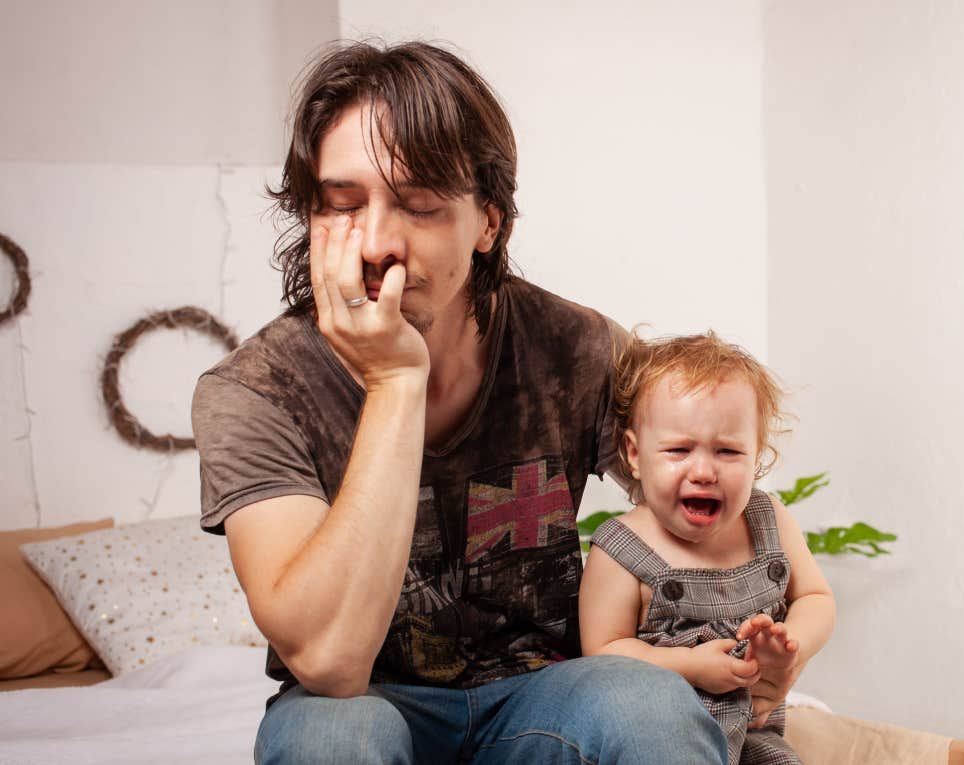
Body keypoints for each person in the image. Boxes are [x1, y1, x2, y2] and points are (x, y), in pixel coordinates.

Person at [191, 41, 727, 764]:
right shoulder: (255, 390)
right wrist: (394, 383)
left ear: (487, 223)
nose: (378, 242)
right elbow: (329, 661)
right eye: (342, 203)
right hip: (366, 703)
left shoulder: (578, 349)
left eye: (419, 205)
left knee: (649, 706)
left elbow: (715, 508)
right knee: (328, 737)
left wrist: (763, 638)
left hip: (545, 694)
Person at [579, 331, 837, 765]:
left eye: (728, 451)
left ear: (757, 456)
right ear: (634, 453)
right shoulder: (621, 548)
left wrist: (790, 643)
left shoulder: (767, 520)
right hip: (656, 742)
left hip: (756, 733)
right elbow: (603, 655)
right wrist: (691, 666)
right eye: (678, 449)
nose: (703, 470)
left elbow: (817, 598)